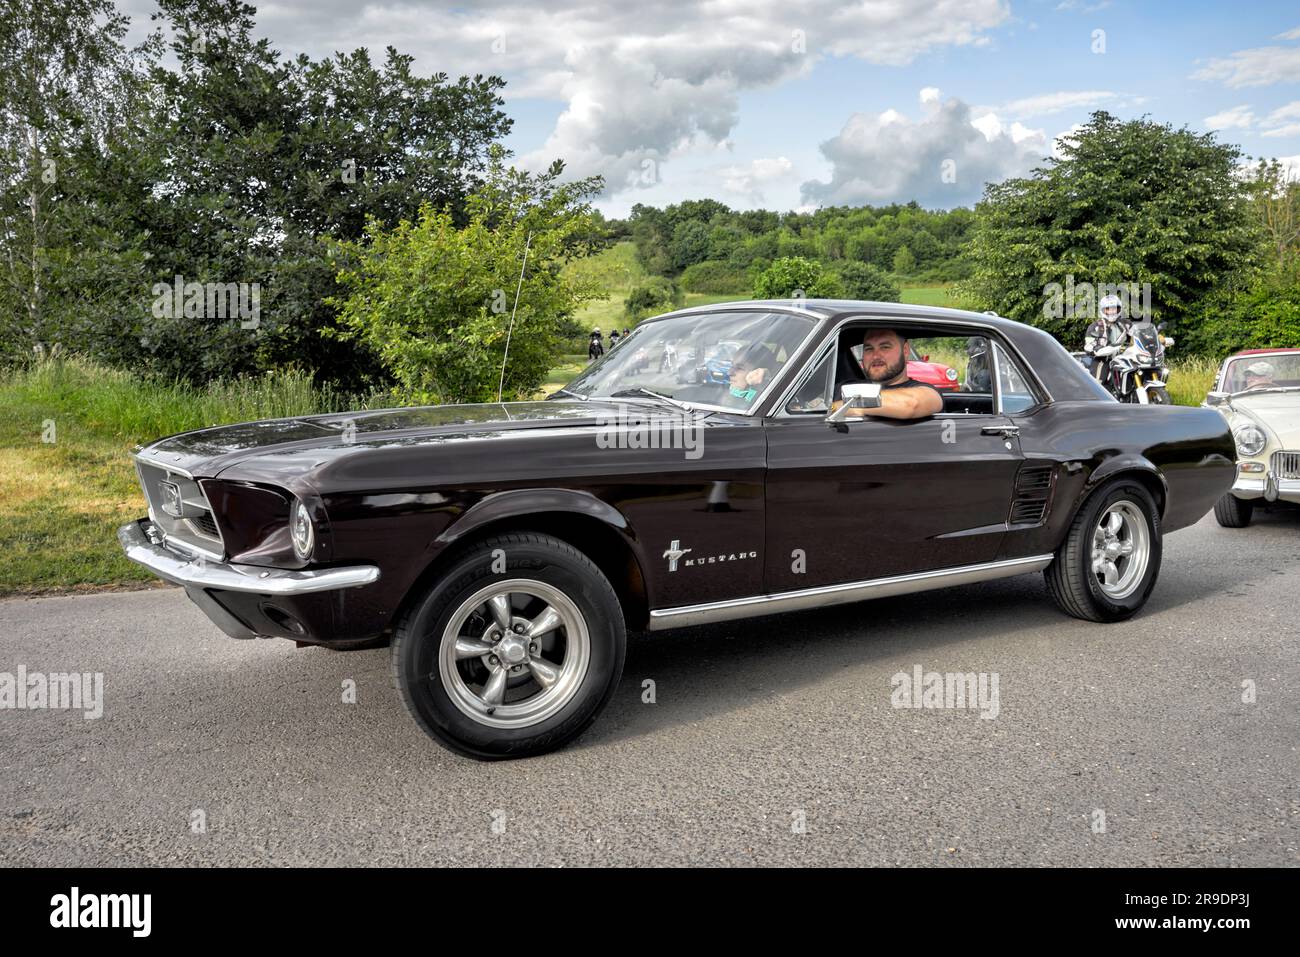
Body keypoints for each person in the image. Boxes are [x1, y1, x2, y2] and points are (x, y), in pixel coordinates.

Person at [832, 328, 943, 419]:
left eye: (885, 347)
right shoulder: (840, 388)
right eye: (869, 349)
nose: (875, 356)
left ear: (905, 350)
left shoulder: (927, 392)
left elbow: (911, 404)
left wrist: (846, 406)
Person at [1084, 293, 1130, 384]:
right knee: (1098, 384)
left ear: (1118, 309)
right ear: (1103, 310)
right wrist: (1097, 349)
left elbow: (1138, 334)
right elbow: (1088, 345)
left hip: (1123, 359)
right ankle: (1097, 396)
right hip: (1103, 359)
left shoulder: (1125, 324)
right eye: (1108, 309)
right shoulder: (1095, 326)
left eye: (1114, 308)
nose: (1112, 311)